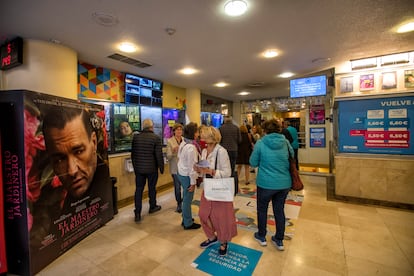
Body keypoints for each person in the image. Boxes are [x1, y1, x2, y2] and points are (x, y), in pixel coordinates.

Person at [30, 106, 113, 255]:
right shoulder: (53, 204)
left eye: (79, 151)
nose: (72, 171)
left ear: (93, 143)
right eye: (59, 159)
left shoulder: (102, 181)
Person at [249, 118, 293, 251]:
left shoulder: (261, 143)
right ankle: (279, 239)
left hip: (265, 183)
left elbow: (253, 162)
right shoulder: (285, 142)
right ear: (279, 129)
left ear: (265, 130)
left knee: (262, 210)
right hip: (284, 183)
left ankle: (261, 236)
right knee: (279, 210)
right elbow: (292, 156)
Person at [196, 126, 237, 256]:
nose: (200, 137)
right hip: (208, 187)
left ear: (211, 137)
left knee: (221, 218)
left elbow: (227, 172)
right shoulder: (203, 151)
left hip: (220, 190)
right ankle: (212, 237)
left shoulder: (221, 151)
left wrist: (212, 172)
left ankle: (223, 242)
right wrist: (198, 170)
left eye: (203, 135)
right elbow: (203, 169)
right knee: (203, 214)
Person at [131, 118, 164, 223]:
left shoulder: (136, 138)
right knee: (152, 188)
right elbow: (159, 155)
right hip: (152, 169)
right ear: (151, 126)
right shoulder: (156, 138)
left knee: (139, 190)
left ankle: (137, 212)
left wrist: (136, 168)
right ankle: (152, 206)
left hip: (139, 169)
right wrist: (161, 168)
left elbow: (133, 155)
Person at [177, 122, 201, 230]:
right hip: (187, 175)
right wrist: (193, 182)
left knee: (185, 198)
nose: (198, 133)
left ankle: (185, 218)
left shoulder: (184, 142)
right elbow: (192, 167)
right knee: (187, 199)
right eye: (197, 131)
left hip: (181, 173)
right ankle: (187, 223)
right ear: (193, 133)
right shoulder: (191, 147)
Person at [219, 115, 241, 194]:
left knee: (224, 169)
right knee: (232, 168)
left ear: (224, 120)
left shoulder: (221, 128)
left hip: (224, 151)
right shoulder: (236, 128)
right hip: (234, 150)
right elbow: (239, 140)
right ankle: (232, 186)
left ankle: (225, 185)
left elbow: (219, 140)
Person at [166, 123, 184, 213]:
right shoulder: (170, 141)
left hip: (184, 168)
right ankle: (179, 204)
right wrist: (173, 151)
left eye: (180, 129)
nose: (179, 131)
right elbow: (168, 156)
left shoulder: (184, 141)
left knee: (186, 186)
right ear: (174, 131)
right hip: (175, 168)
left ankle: (184, 201)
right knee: (177, 187)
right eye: (177, 129)